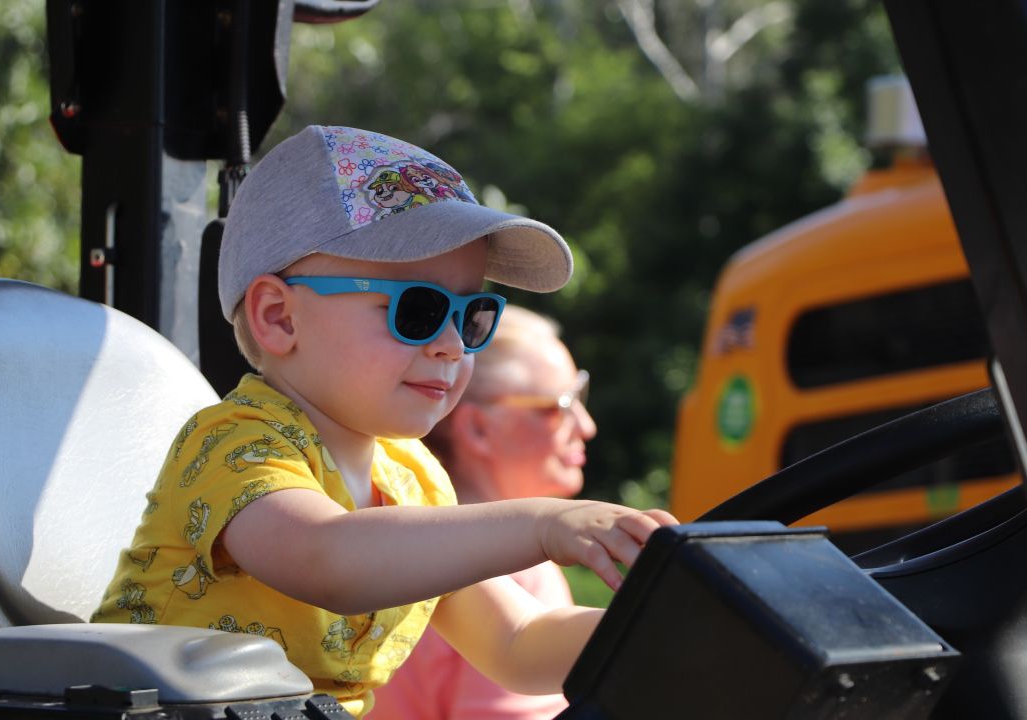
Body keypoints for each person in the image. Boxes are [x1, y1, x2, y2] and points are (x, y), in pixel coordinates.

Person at [91, 125, 676, 718]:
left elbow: (518, 642)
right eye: (417, 309)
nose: (452, 344)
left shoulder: (412, 480)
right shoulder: (234, 443)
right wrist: (545, 523)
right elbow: (327, 559)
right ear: (279, 317)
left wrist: (665, 629)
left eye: (472, 315)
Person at [371, 305, 595, 719]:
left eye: (581, 394)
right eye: (560, 404)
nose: (585, 425)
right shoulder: (521, 571)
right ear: (476, 428)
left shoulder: (373, 528)